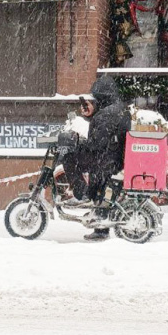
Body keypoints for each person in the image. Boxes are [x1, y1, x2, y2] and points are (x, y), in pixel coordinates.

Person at [62, 76, 131, 241]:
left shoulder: (107, 114)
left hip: (106, 158)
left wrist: (79, 144)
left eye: (96, 96)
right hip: (113, 156)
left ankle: (82, 195)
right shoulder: (118, 108)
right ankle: (100, 228)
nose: (94, 99)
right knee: (100, 188)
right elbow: (103, 135)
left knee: (70, 159)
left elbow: (96, 143)